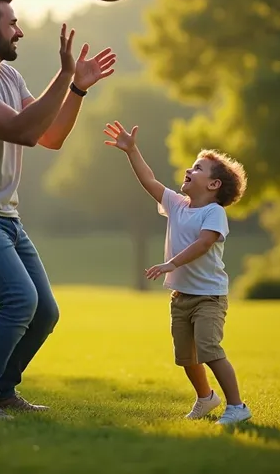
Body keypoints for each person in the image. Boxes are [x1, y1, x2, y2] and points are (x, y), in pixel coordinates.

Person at [0, 0, 116, 420]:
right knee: (20, 300)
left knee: (44, 313)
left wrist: (77, 91)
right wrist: (65, 76)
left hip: (4, 217)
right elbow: (22, 131)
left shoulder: (10, 78)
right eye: (12, 23)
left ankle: (1, 390)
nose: (20, 32)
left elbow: (50, 137)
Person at [103, 120, 251, 425]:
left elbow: (204, 243)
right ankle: (206, 397)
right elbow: (150, 181)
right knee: (186, 357)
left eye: (198, 168)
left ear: (213, 185)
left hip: (209, 297)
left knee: (209, 349)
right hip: (181, 297)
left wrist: (172, 263)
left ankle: (237, 407)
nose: (190, 170)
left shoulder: (214, 213)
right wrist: (132, 151)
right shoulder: (177, 204)